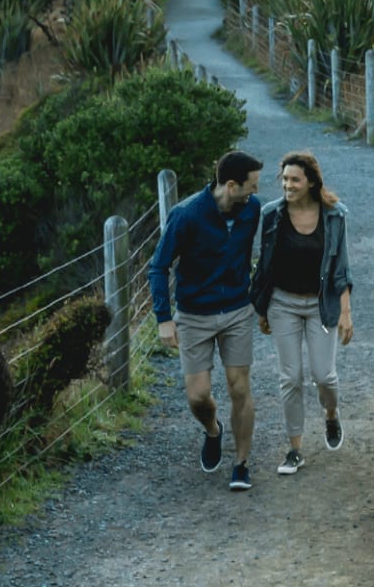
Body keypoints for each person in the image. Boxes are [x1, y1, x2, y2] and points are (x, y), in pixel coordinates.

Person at [150, 149, 265, 492]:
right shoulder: (186, 215)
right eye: (251, 186)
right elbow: (158, 266)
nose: (255, 193)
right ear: (231, 185)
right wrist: (163, 318)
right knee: (198, 397)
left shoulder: (252, 210)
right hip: (194, 314)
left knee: (239, 387)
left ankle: (241, 464)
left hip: (236, 310)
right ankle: (213, 431)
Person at [251, 149, 354, 476]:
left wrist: (345, 312)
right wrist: (263, 308)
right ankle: (295, 449)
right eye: (284, 179)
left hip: (321, 305)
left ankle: (331, 413)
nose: (288, 185)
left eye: (294, 179)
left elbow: (342, 269)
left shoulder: (334, 216)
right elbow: (264, 265)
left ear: (311, 182)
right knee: (290, 377)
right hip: (283, 304)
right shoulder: (272, 215)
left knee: (324, 376)